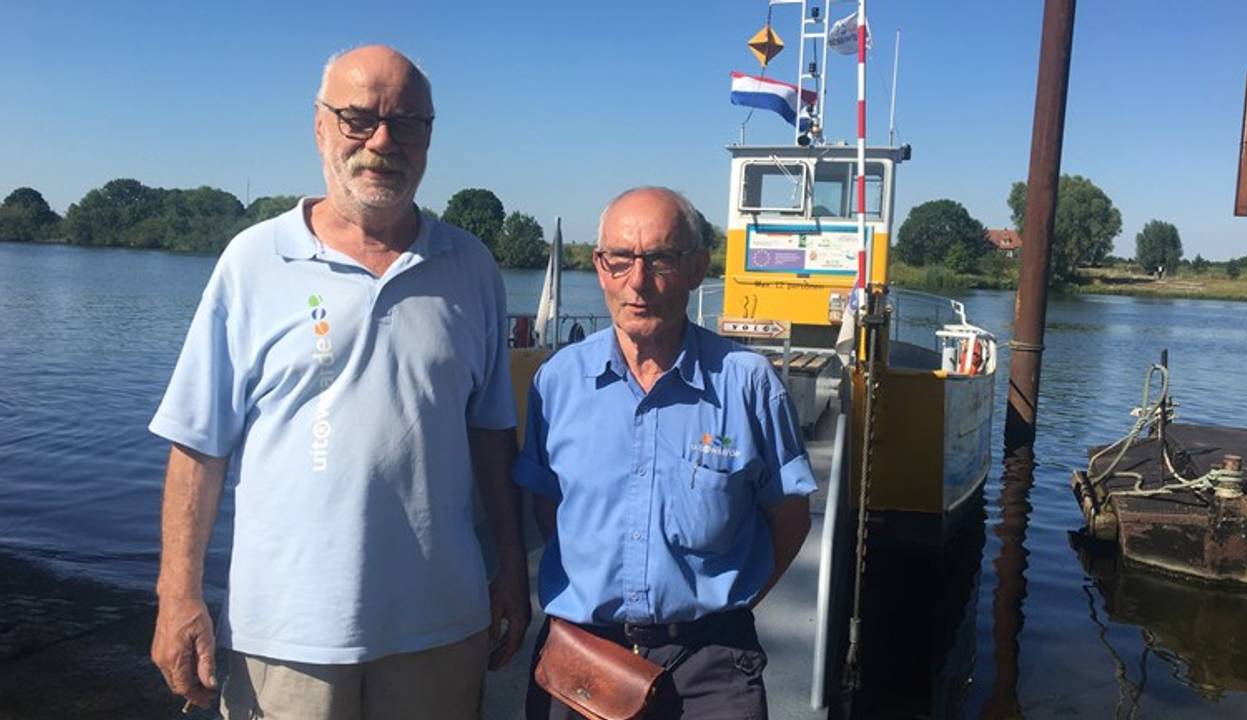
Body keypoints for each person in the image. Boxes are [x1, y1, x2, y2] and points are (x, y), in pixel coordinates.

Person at [148, 45, 529, 719]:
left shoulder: (471, 268)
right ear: (320, 127)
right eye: (359, 118)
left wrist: (510, 568)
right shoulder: (254, 261)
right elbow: (199, 445)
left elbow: (491, 437)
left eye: (407, 122)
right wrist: (178, 595)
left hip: (441, 626)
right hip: (287, 638)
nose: (383, 140)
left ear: (430, 138)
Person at [515, 187, 816, 719]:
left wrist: (728, 605)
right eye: (620, 260)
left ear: (697, 267)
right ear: (600, 266)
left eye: (660, 259)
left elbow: (789, 517)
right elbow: (548, 507)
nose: (638, 282)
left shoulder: (748, 385)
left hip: (711, 667)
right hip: (582, 656)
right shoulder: (557, 383)